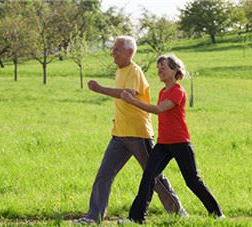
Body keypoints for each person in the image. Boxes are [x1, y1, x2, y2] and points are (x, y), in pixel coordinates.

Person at [74, 36, 186, 224]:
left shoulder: (135, 71)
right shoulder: (120, 71)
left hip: (138, 134)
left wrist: (100, 89)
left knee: (154, 177)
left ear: (129, 52)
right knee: (104, 174)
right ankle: (94, 217)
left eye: (117, 49)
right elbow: (123, 101)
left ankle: (178, 212)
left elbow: (127, 94)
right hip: (119, 134)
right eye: (113, 49)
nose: (113, 52)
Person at [120, 54, 225, 223]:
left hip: (180, 143)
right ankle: (136, 218)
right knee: (148, 177)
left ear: (175, 70)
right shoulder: (163, 91)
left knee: (192, 181)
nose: (160, 70)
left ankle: (217, 214)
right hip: (163, 144)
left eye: (164, 67)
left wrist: (132, 101)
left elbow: (159, 109)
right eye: (158, 68)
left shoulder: (177, 91)